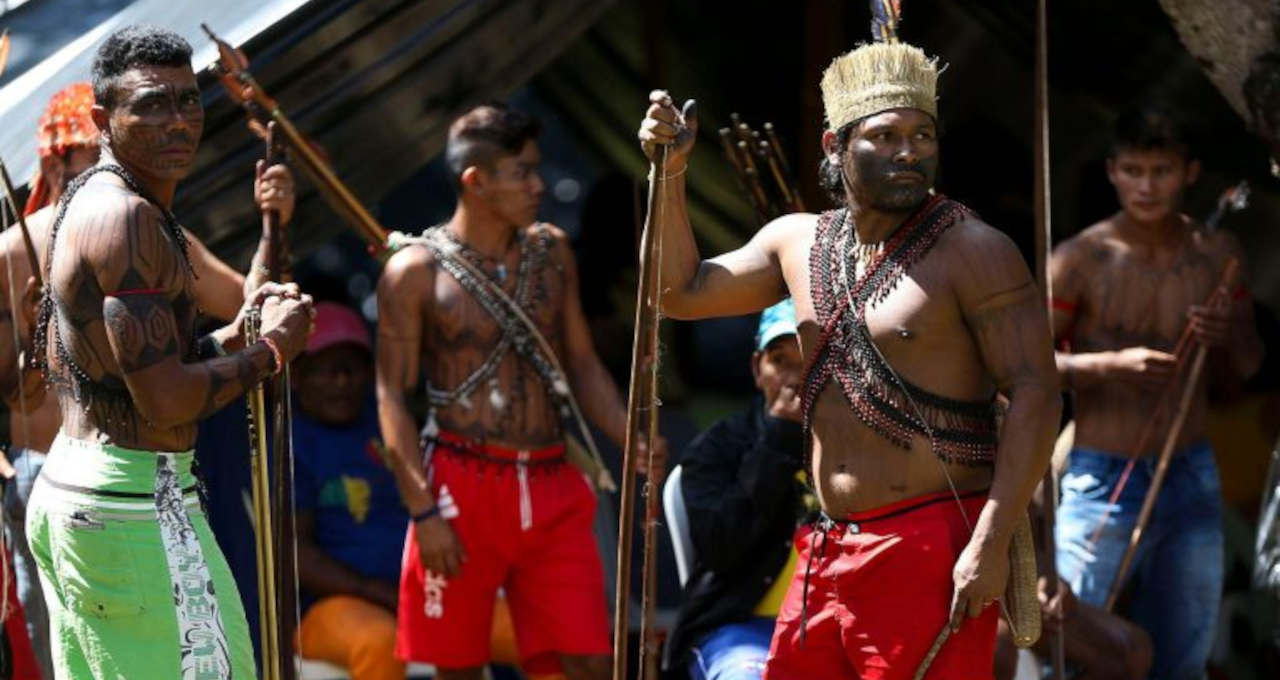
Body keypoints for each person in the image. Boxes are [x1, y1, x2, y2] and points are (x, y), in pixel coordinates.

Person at [637, 41, 1060, 679]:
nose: (909, 150)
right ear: (836, 145)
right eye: (886, 135)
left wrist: (991, 541)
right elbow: (676, 292)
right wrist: (670, 172)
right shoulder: (796, 240)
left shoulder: (976, 251)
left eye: (922, 134)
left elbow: (1036, 391)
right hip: (828, 545)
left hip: (930, 546)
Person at [22, 25, 313, 678]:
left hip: (92, 493)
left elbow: (147, 365)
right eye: (152, 103)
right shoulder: (127, 222)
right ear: (103, 118)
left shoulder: (107, 206)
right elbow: (165, 398)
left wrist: (247, 324)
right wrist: (270, 352)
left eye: (188, 100)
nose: (178, 121)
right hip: (131, 505)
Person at [377, 103, 662, 680]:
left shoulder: (553, 250)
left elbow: (580, 361)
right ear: (476, 181)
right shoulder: (413, 271)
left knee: (585, 659)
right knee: (459, 667)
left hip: (553, 483)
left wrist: (627, 433)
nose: (538, 185)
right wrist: (423, 510)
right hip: (459, 489)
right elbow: (391, 396)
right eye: (522, 172)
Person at [1050, 106, 1263, 680]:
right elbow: (1023, 367)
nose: (1146, 186)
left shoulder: (1217, 257)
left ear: (1190, 173)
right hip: (1100, 475)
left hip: (1189, 471)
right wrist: (1108, 364)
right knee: (1066, 645)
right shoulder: (1079, 259)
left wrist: (1229, 335)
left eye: (1162, 171)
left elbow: (1246, 368)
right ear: (1113, 172)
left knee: (1183, 657)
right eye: (1134, 170)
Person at [664, 298, 812, 680]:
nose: (795, 376)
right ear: (756, 369)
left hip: (837, 628)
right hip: (740, 629)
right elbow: (720, 548)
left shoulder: (861, 449)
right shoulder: (718, 447)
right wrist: (780, 439)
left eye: (809, 360)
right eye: (780, 360)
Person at [292, 302, 406, 680]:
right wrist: (375, 591)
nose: (342, 380)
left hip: (421, 596)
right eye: (326, 368)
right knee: (379, 642)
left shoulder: (387, 426)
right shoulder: (289, 443)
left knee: (523, 624)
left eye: (351, 368)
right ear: (296, 376)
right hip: (330, 609)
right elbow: (295, 553)